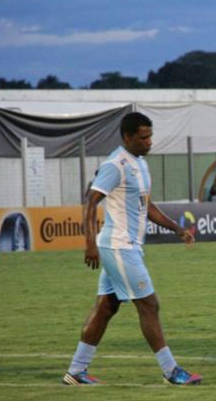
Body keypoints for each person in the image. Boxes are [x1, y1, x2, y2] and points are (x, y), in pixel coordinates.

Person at [63, 112, 201, 386]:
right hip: (118, 246)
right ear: (127, 137)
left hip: (128, 247)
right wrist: (89, 243)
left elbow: (146, 206)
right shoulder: (116, 164)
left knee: (106, 307)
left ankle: (76, 371)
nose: (149, 142)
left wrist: (176, 228)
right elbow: (90, 202)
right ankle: (171, 371)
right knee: (149, 304)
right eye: (143, 137)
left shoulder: (139, 163)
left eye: (150, 136)